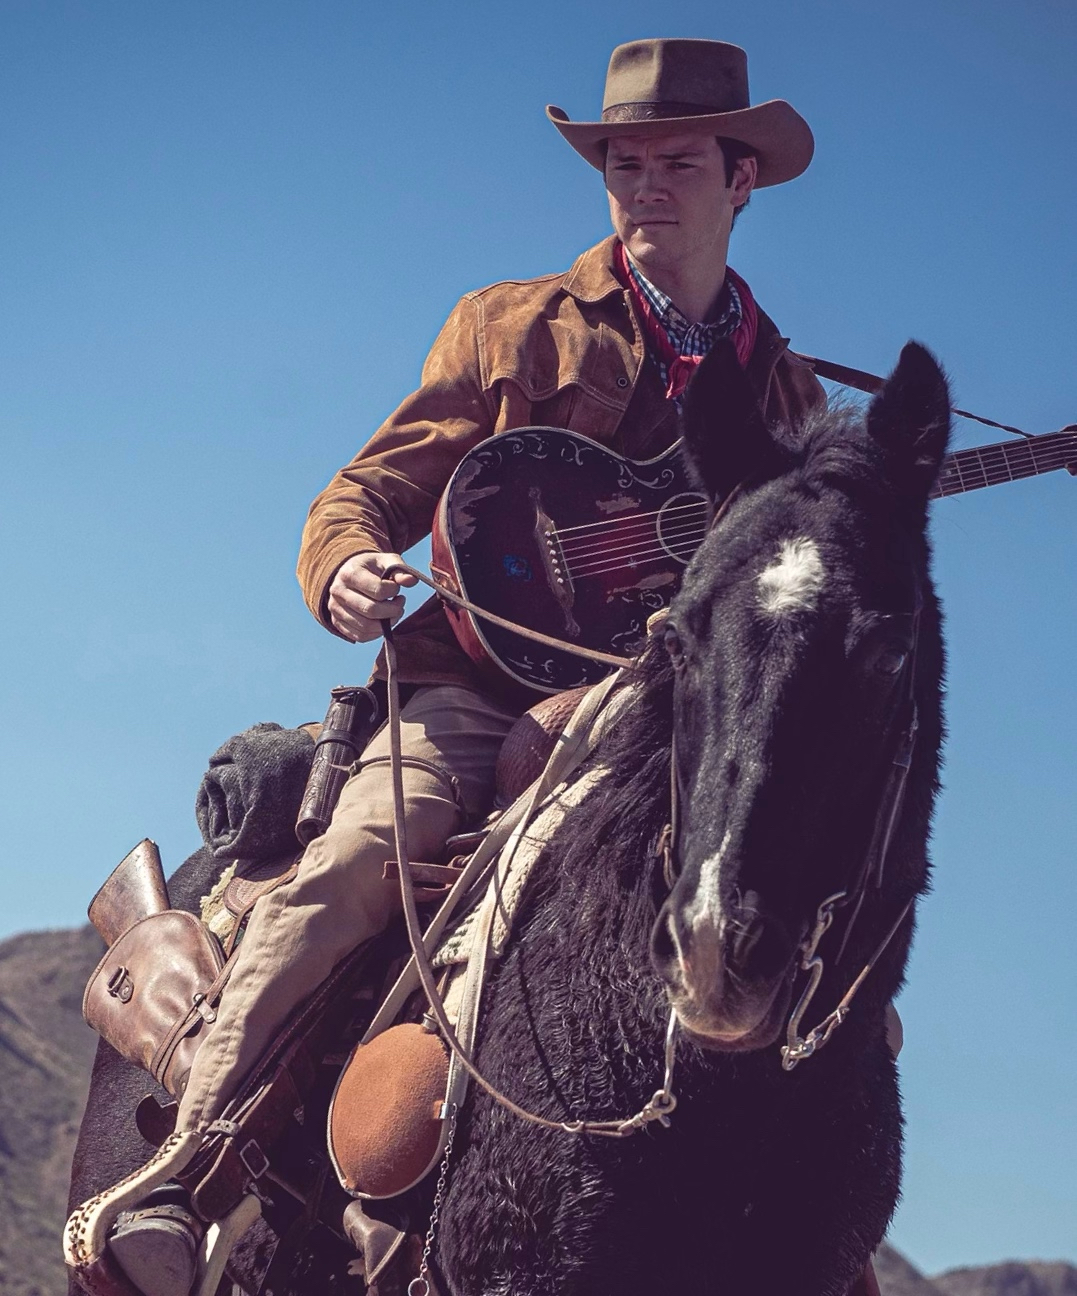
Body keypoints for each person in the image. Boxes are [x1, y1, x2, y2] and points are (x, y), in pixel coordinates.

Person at [71, 37, 825, 1296]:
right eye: (620, 163)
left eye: (676, 162)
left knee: (805, 919)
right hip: (467, 687)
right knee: (365, 860)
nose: (643, 187)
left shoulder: (787, 399)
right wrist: (347, 566)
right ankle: (180, 1174)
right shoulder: (514, 325)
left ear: (740, 177)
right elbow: (367, 490)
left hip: (665, 727)